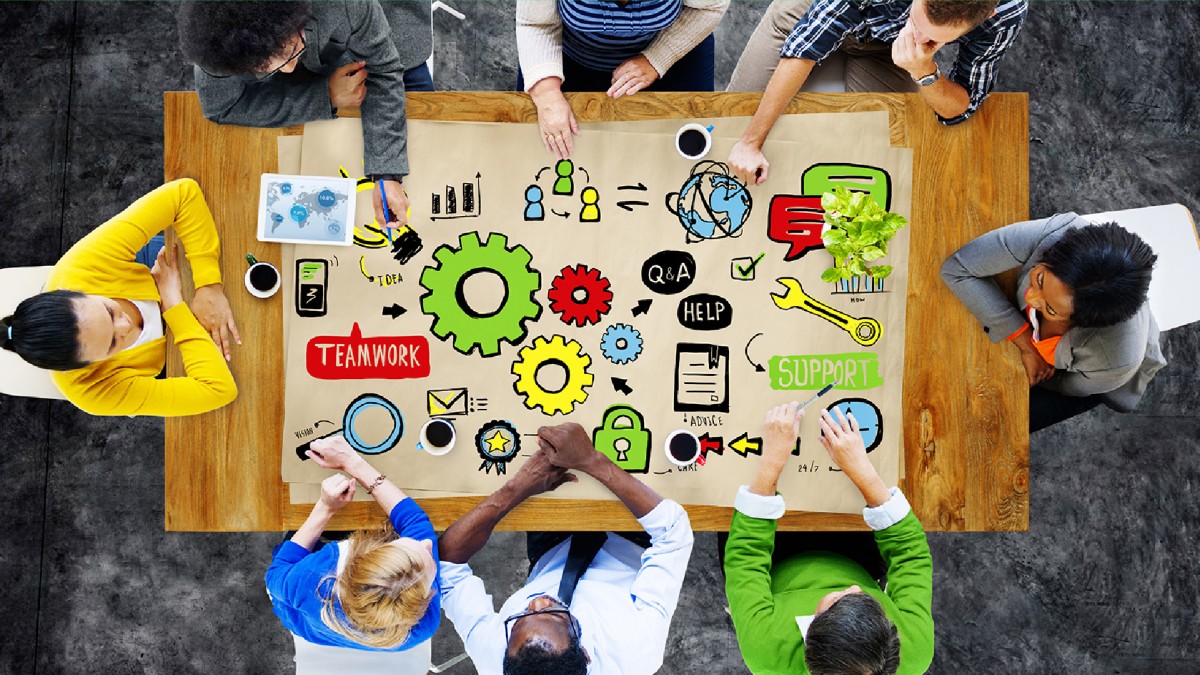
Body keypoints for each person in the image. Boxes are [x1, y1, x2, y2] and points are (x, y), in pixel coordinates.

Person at [437, 423, 694, 674]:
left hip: (552, 546)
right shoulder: (637, 651)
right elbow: (673, 532)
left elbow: (447, 564)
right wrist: (591, 460)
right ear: (584, 653)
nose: (536, 601)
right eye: (556, 614)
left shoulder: (495, 657)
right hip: (633, 535)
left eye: (520, 618)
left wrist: (519, 487)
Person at [176, 0, 435, 229]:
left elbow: (384, 70)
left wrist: (387, 174)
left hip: (375, 29)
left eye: (290, 53)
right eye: (268, 67)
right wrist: (325, 95)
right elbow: (223, 106)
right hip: (311, 36)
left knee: (426, 176)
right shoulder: (218, 38)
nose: (288, 69)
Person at [724, 403, 934, 674]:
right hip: (857, 557)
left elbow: (745, 560)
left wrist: (772, 460)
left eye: (838, 599)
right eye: (873, 604)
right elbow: (911, 556)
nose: (855, 589)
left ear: (810, 627)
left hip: (771, 564)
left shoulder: (766, 650)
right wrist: (863, 471)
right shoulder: (913, 650)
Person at [0, 179, 238, 417]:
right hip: (173, 345)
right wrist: (173, 305)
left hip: (157, 267)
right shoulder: (90, 391)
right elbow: (218, 390)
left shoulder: (81, 267)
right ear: (83, 367)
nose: (125, 325)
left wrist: (209, 286)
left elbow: (183, 195)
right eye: (113, 343)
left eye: (109, 311)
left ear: (73, 290)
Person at [726, 0, 1027, 185]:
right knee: (733, 128)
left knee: (877, 168)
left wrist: (924, 69)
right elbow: (807, 46)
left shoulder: (1006, 14)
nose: (917, 37)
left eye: (933, 39)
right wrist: (751, 142)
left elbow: (960, 108)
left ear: (988, 14)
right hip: (811, 12)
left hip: (885, 49)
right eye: (917, 22)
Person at [941, 215, 1164, 432]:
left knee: (994, 426)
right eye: (1039, 279)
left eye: (1050, 309)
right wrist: (1027, 345)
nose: (1030, 298)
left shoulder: (1113, 361)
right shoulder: (1057, 233)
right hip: (1047, 353)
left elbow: (1067, 386)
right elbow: (957, 269)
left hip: (1083, 381)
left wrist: (1020, 379)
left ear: (1081, 322)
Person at [266, 435, 441, 656]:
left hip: (300, 618)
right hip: (331, 631)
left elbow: (275, 575)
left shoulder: (313, 575)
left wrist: (325, 507)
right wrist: (352, 463)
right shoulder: (423, 625)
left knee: (294, 538)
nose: (427, 543)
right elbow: (415, 523)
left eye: (402, 544)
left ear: (364, 554)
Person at [517, 0, 731, 159]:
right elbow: (536, 23)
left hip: (669, 48)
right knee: (541, 156)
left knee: (685, 157)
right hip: (567, 56)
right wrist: (547, 93)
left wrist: (657, 59)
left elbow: (710, 6)